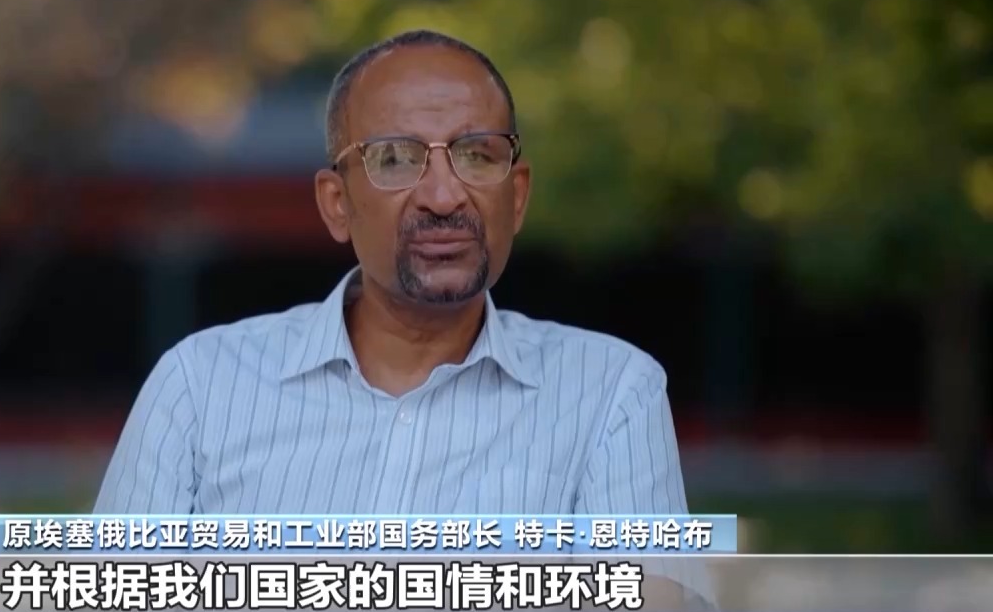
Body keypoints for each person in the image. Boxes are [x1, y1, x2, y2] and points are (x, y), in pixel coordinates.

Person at [95, 30, 711, 607]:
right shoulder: (201, 385)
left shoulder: (609, 393)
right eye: (394, 159)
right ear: (336, 204)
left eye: (477, 155)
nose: (444, 197)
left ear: (517, 196)